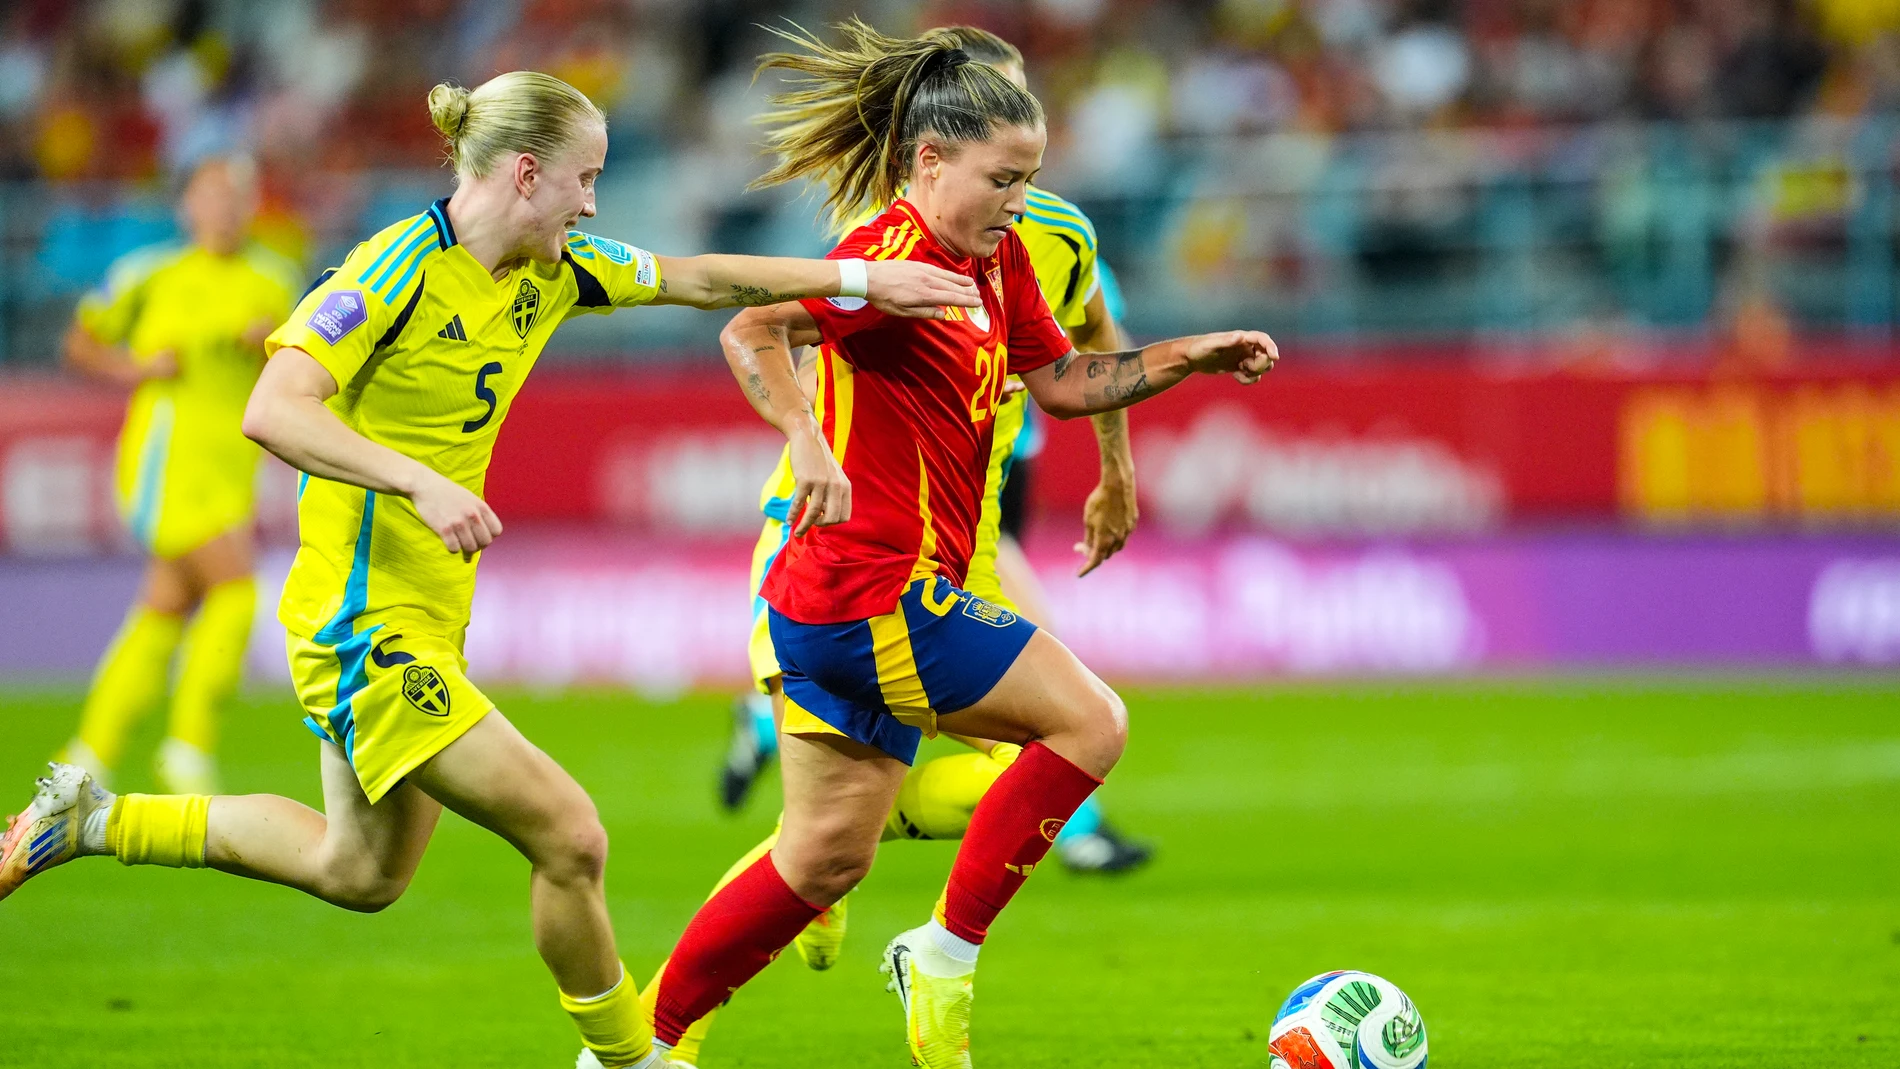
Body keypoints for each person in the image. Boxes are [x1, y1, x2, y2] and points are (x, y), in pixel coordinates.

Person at [0, 69, 980, 1069]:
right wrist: (418, 482)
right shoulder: (393, 271)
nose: (595, 201)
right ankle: (627, 1057)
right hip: (362, 621)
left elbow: (699, 277)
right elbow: (275, 408)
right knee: (570, 836)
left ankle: (92, 820)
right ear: (525, 174)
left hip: (430, 613)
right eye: (585, 178)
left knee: (360, 870)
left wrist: (859, 284)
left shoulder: (556, 267)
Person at [643, 23, 1277, 1069]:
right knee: (1092, 724)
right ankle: (940, 953)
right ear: (930, 161)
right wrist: (803, 438)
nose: (1017, 203)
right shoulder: (881, 263)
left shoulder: (995, 262)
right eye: (1001, 179)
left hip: (847, 602)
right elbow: (748, 329)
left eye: (1029, 179)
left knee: (818, 859)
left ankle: (641, 1052)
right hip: (871, 592)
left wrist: (1186, 358)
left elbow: (1065, 383)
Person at [716, 26, 1152, 880]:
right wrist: (803, 431)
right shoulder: (884, 237)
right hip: (851, 514)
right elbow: (777, 336)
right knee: (1049, 711)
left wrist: (1117, 469)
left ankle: (834, 842)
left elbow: (1092, 344)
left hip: (977, 510)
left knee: (1051, 713)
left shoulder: (1055, 234)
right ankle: (857, 858)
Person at [54, 156, 301, 795]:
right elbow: (79, 345)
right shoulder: (150, 274)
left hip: (229, 472)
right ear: (187, 205)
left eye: (237, 197)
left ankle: (89, 752)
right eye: (212, 196)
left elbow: (299, 363)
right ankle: (187, 749)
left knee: (164, 609)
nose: (225, 209)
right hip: (166, 468)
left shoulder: (273, 280)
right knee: (237, 590)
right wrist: (135, 369)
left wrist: (270, 344)